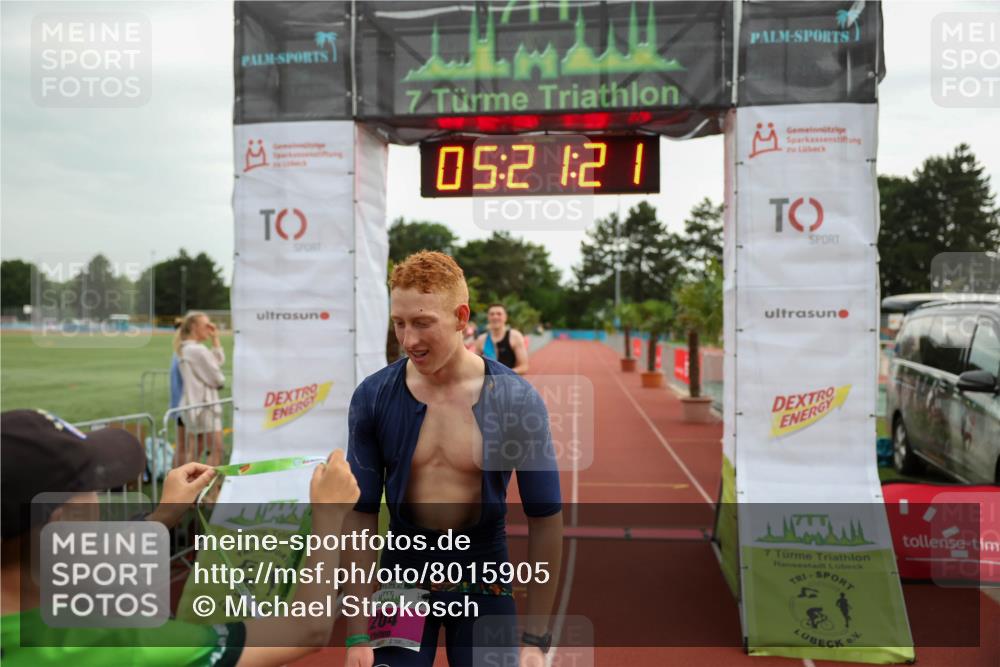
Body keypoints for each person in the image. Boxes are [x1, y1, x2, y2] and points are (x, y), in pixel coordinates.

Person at [0, 408, 360, 667]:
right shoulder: (118, 644)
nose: (101, 497)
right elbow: (302, 630)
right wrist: (328, 517)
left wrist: (163, 515)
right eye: (92, 486)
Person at [342, 251, 563, 667]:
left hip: (484, 573)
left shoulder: (516, 400)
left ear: (461, 317)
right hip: (403, 575)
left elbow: (546, 516)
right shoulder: (372, 397)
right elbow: (360, 514)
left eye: (423, 322)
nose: (408, 340)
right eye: (399, 323)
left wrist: (536, 639)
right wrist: (357, 631)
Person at [175, 311, 226, 468]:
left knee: (195, 452)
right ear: (194, 326)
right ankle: (210, 492)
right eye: (206, 325)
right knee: (217, 450)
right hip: (205, 407)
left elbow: (217, 361)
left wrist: (215, 338)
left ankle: (189, 490)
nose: (210, 327)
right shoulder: (197, 350)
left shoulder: (186, 349)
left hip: (193, 406)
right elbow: (217, 377)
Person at [474, 304, 529, 375]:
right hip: (489, 383)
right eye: (492, 314)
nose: (495, 317)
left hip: (510, 382)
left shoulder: (515, 336)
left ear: (505, 317)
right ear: (488, 317)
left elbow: (523, 367)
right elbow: (476, 366)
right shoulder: (481, 339)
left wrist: (503, 375)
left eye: (499, 314)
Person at [170, 317, 188, 466]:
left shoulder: (177, 353)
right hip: (186, 405)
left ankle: (174, 478)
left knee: (182, 446)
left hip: (178, 405)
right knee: (185, 447)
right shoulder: (183, 354)